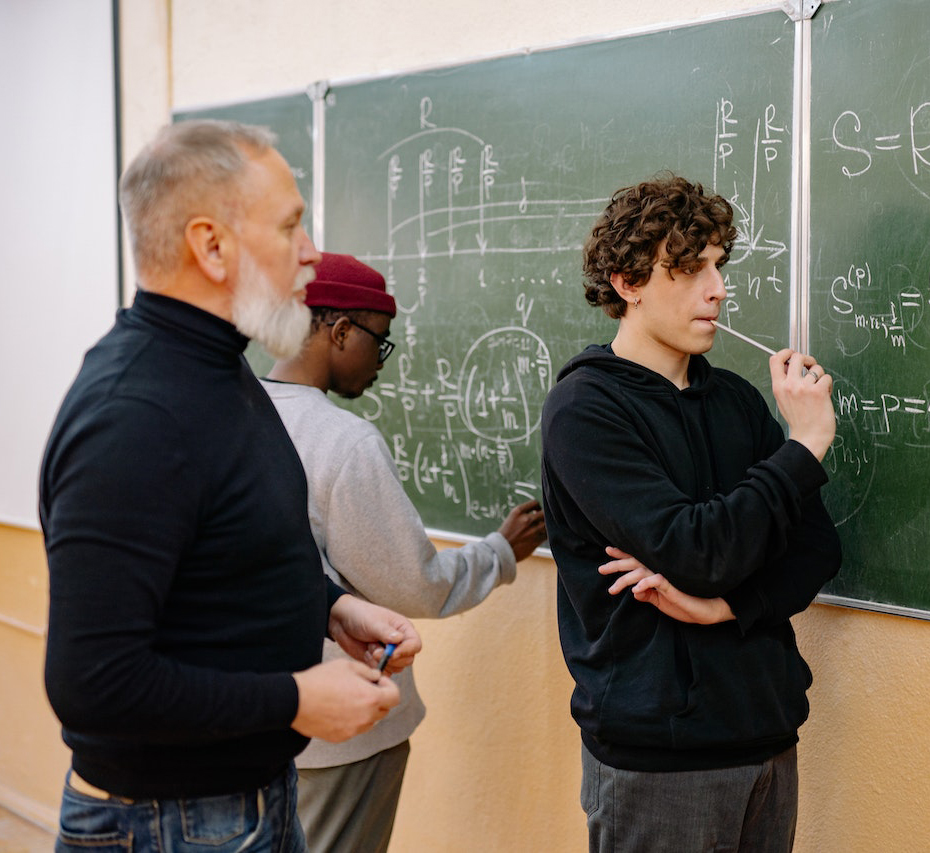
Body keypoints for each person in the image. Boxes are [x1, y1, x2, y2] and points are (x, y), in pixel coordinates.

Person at [39, 120, 421, 852]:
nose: (310, 252)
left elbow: (225, 549)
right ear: (211, 246)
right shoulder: (135, 413)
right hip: (167, 823)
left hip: (244, 804)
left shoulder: (218, 369)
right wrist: (298, 698)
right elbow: (94, 682)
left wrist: (332, 609)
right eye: (290, 226)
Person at [540, 173, 841, 852]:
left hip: (766, 735)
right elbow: (698, 552)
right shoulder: (586, 410)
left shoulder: (735, 401)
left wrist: (729, 607)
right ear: (628, 282)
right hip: (659, 760)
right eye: (691, 267)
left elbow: (818, 547)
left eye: (718, 265)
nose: (718, 288)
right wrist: (806, 445)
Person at [260, 252, 548, 852]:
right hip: (345, 732)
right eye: (379, 341)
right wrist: (501, 551)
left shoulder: (235, 412)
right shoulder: (342, 442)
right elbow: (413, 585)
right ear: (339, 331)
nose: (381, 363)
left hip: (260, 718)